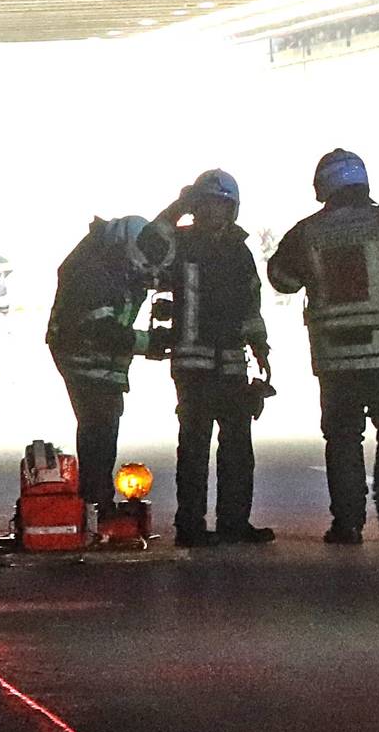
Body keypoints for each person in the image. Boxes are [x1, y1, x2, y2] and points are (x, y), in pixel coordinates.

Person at [268, 149, 379, 544]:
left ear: (323, 187)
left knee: (343, 438)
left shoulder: (306, 233)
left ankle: (348, 523)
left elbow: (281, 279)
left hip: (336, 361)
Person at [156, 170, 274, 547]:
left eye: (222, 205)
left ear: (233, 209)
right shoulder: (178, 243)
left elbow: (251, 304)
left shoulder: (239, 251)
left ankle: (234, 523)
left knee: (238, 445)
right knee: (193, 445)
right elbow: (148, 241)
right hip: (192, 364)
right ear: (196, 206)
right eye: (207, 204)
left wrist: (260, 346)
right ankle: (190, 526)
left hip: (232, 363)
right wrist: (177, 206)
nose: (215, 212)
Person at [44, 214, 170, 518]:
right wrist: (149, 343)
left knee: (103, 421)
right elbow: (101, 329)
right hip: (82, 356)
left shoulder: (117, 259)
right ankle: (95, 502)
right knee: (98, 422)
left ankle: (95, 501)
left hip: (100, 357)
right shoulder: (92, 273)